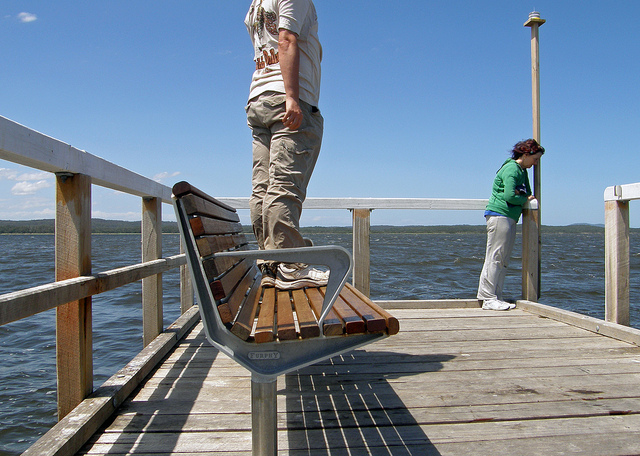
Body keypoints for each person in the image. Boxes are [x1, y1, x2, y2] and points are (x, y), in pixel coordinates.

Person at [245, 0, 328, 290]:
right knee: (284, 185)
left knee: (263, 187)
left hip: (259, 98)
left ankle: (270, 263)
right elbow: (286, 39)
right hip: (287, 98)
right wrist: (292, 97)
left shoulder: (256, 5)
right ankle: (290, 265)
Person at [477, 139, 545, 310]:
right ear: (526, 154)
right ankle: (488, 298)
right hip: (500, 215)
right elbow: (510, 196)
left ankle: (496, 295)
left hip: (510, 217)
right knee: (495, 256)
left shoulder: (522, 171)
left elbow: (527, 193)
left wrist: (521, 195)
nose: (535, 163)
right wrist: (521, 197)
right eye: (535, 159)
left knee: (503, 258)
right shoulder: (511, 169)